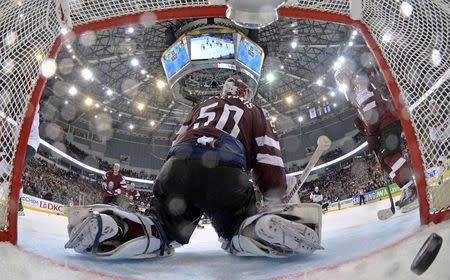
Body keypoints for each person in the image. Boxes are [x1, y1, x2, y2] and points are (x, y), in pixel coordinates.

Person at [64, 78, 323, 259]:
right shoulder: (254, 110)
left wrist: (172, 182)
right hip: (226, 173)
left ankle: (120, 227)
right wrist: (273, 194)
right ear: (246, 94)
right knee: (236, 229)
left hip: (177, 168)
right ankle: (256, 229)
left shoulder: (200, 107)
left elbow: (175, 144)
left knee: (162, 229)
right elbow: (268, 155)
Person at [334, 67, 418, 213]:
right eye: (339, 80)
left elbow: (371, 108)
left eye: (343, 77)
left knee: (389, 155)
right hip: (381, 126)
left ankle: (412, 187)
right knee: (383, 162)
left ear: (348, 74)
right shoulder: (353, 92)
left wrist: (371, 134)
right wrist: (366, 130)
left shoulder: (357, 85)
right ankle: (405, 188)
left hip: (388, 120)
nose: (342, 81)